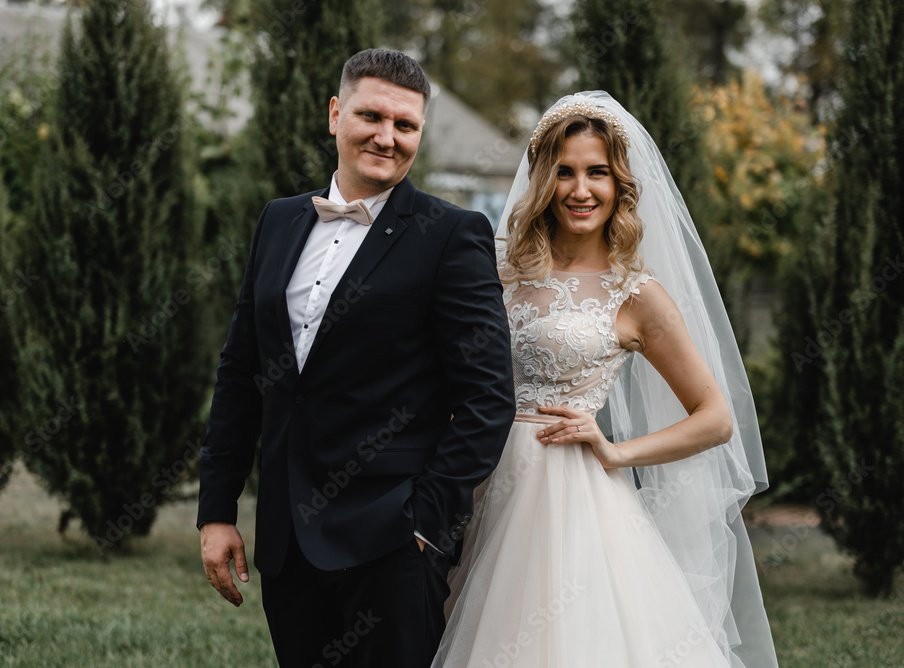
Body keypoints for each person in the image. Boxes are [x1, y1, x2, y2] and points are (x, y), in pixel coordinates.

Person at [432, 92, 778, 667]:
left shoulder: (637, 295)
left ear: (621, 184)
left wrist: (618, 453)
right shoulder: (498, 273)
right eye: (564, 172)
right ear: (543, 179)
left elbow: (716, 418)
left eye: (598, 172)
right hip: (478, 482)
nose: (580, 190)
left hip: (574, 498)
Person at [197, 48, 516, 668]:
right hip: (287, 538)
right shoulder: (279, 221)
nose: (387, 137)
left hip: (392, 540)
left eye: (406, 125)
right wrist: (217, 510)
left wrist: (425, 523)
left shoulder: (453, 236)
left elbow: (488, 399)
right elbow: (241, 373)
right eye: (372, 116)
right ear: (336, 114)